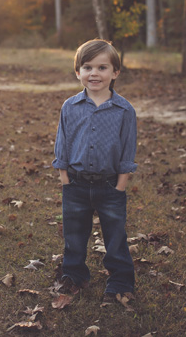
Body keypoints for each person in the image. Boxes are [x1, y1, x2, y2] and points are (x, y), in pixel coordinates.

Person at [53, 39, 137, 302]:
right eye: (87, 67)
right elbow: (62, 144)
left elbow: (127, 150)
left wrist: (120, 185)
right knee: (74, 234)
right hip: (76, 184)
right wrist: (65, 179)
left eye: (102, 67)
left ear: (115, 72)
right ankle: (74, 274)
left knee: (115, 235)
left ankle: (121, 279)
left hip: (110, 184)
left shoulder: (124, 111)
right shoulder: (70, 107)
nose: (94, 74)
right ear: (78, 72)